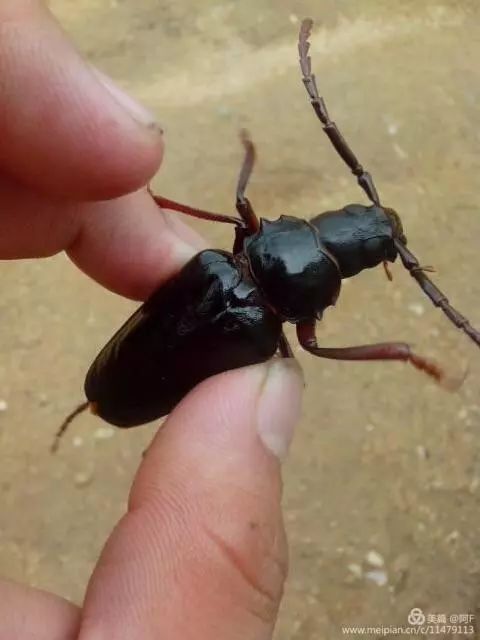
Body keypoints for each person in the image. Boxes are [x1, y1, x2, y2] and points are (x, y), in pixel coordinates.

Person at [0, 3, 303, 638]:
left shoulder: (220, 267)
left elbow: (239, 212)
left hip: (121, 380)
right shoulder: (263, 333)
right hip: (126, 381)